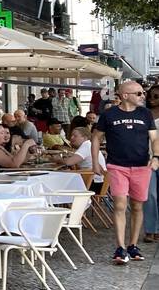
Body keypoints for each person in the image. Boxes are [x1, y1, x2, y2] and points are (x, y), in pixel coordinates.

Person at [91, 79, 159, 264]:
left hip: (141, 166)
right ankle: (120, 248)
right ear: (125, 95)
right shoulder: (109, 115)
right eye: (139, 93)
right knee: (120, 205)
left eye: (142, 93)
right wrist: (96, 161)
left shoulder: (145, 114)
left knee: (137, 206)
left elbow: (154, 139)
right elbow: (96, 137)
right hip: (117, 166)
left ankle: (133, 245)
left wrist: (156, 157)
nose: (143, 96)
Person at [58, 125, 105, 192]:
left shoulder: (86, 146)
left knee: (60, 180)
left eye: (75, 136)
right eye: (71, 135)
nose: (71, 138)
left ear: (85, 138)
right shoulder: (88, 145)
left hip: (93, 183)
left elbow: (68, 162)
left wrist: (56, 159)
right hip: (99, 182)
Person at [145, 85, 159, 242]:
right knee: (150, 195)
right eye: (151, 96)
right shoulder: (144, 114)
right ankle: (150, 229)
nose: (152, 99)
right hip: (147, 159)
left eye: (156, 96)